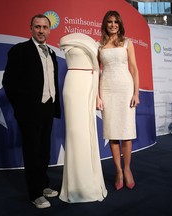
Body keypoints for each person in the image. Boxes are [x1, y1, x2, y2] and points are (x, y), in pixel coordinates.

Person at [2, 14, 61, 208]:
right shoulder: (20, 50)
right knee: (32, 152)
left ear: (49, 30)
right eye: (37, 27)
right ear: (31, 28)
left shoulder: (52, 53)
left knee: (44, 150)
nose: (41, 30)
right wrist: (22, 108)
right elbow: (8, 83)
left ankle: (43, 185)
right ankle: (35, 193)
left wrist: (53, 105)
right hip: (30, 111)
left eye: (45, 27)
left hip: (48, 108)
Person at [58, 33, 108, 203]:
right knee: (75, 134)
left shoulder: (95, 44)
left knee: (88, 135)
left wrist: (97, 96)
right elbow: (63, 43)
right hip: (74, 86)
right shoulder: (67, 40)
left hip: (89, 86)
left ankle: (91, 183)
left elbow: (97, 70)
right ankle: (75, 186)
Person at [96, 10, 140, 190]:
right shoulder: (98, 45)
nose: (113, 24)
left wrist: (136, 93)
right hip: (107, 89)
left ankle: (127, 169)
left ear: (120, 24)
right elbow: (96, 71)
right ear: (105, 24)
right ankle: (118, 172)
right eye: (109, 22)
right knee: (113, 133)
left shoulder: (127, 42)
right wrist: (97, 96)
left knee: (127, 132)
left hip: (125, 89)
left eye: (116, 22)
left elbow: (134, 69)